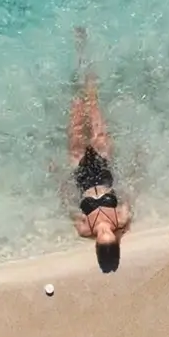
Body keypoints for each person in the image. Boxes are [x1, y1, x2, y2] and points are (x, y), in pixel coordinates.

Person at [66, 26, 132, 273]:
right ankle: (83, 48)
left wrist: (57, 179)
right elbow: (130, 190)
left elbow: (67, 203)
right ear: (115, 242)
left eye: (102, 239)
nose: (104, 233)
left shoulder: (85, 229)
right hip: (103, 165)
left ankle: (73, 66)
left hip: (80, 170)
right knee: (92, 101)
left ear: (97, 246)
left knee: (76, 106)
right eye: (109, 238)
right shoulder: (121, 219)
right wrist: (136, 162)